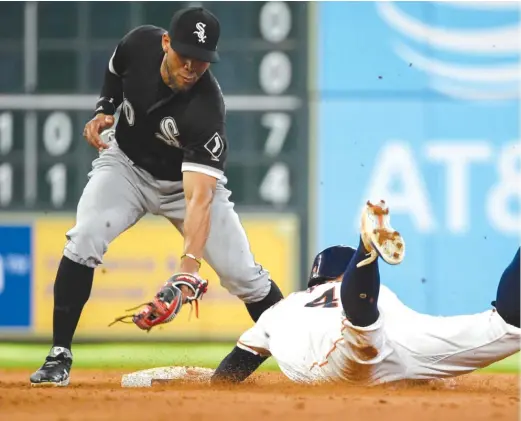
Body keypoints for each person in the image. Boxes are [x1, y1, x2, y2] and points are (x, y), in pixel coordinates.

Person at [30, 6, 283, 387]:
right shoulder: (139, 45)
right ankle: (58, 356)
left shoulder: (206, 109)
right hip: (126, 167)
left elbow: (199, 200)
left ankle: (305, 354)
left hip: (185, 188)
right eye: (184, 56)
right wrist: (104, 108)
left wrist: (188, 270)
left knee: (246, 277)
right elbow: (115, 73)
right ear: (166, 43)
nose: (191, 68)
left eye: (201, 61)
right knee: (83, 239)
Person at [209, 200, 520, 385]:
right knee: (506, 326)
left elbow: (232, 370)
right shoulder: (372, 292)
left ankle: (366, 251)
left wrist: (212, 388)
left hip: (342, 361)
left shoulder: (283, 309)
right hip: (396, 345)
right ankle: (365, 252)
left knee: (362, 336)